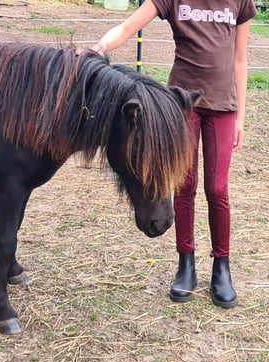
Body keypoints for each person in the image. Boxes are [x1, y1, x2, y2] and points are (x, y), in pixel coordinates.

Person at [89, 0, 257, 308]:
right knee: (184, 186)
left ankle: (222, 267)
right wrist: (99, 47)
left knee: (217, 188)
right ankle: (186, 263)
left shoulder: (240, 1)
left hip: (223, 107)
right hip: (181, 106)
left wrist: (241, 118)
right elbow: (128, 26)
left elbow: (240, 60)